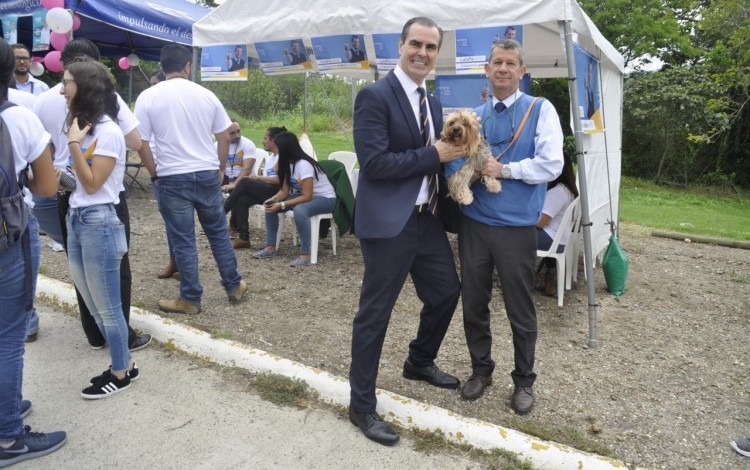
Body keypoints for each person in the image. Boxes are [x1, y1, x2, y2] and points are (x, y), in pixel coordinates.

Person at [348, 17, 467, 446]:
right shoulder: (374, 96)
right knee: (374, 315)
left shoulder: (433, 103)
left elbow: (441, 158)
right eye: (415, 43)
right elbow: (375, 165)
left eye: (431, 47)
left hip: (427, 219)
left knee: (446, 292)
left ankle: (419, 360)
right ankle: (361, 406)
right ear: (400, 46)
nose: (422, 52)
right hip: (388, 226)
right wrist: (431, 153)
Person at [445, 39, 563, 411]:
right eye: (497, 62)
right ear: (486, 68)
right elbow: (452, 168)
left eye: (511, 63)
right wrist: (475, 173)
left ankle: (524, 382)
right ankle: (481, 370)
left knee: (520, 308)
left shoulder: (540, 109)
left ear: (521, 71)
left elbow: (551, 164)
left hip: (516, 228)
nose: (503, 68)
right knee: (474, 303)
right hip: (476, 225)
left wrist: (506, 169)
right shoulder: (472, 117)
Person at [32, 38, 152, 352]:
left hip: (65, 194)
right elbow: (136, 140)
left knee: (82, 269)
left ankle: (96, 334)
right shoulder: (107, 101)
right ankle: (120, 339)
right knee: (114, 269)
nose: (62, 89)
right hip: (101, 197)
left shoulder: (41, 102)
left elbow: (41, 150)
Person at [134, 44, 247, 315]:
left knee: (183, 239)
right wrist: (220, 169)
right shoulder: (206, 94)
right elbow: (224, 135)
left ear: (162, 67)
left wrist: (154, 173)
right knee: (218, 233)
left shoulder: (148, 97)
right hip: (207, 173)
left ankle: (190, 298)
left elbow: (141, 142)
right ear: (188, 67)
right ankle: (234, 286)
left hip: (172, 175)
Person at [0, 38, 67, 466]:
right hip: (8, 237)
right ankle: (8, 438)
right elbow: (44, 187)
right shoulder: (18, 118)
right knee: (9, 335)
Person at [61, 60, 140, 398]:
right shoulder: (87, 129)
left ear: (86, 87)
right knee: (93, 304)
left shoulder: (107, 131)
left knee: (107, 306)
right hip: (77, 218)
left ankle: (120, 373)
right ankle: (125, 362)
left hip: (99, 222)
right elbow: (77, 181)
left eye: (67, 83)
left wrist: (73, 145)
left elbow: (93, 184)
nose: (62, 90)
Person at [254, 131, 336, 266]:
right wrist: (275, 199)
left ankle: (305, 254)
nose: (276, 150)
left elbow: (307, 196)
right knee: (270, 207)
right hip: (304, 196)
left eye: (278, 147)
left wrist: (282, 205)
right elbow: (285, 191)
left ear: (287, 149)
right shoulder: (286, 163)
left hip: (325, 198)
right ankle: (270, 247)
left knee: (300, 210)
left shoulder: (304, 164)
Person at [224, 126, 284, 250]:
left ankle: (223, 210)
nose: (263, 141)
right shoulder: (272, 157)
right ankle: (244, 238)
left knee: (245, 181)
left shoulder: (283, 157)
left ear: (274, 140)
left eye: (265, 138)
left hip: (280, 193)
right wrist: (259, 179)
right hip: (269, 190)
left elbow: (281, 180)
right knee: (242, 198)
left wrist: (258, 178)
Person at [143, 69, 178, 280]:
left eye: (154, 84)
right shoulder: (150, 106)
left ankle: (183, 265)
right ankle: (175, 261)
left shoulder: (173, 108)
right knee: (170, 221)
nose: (151, 88)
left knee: (179, 222)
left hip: (172, 171)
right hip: (159, 172)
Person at [536, 153, 578, 296]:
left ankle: (518, 280)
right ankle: (549, 279)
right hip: (558, 239)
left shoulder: (558, 192)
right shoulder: (568, 189)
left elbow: (540, 222)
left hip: (551, 240)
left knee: (515, 235)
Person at [221, 119, 257, 186]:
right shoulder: (217, 146)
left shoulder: (248, 144)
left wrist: (234, 184)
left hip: (243, 179)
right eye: (232, 133)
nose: (237, 136)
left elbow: (247, 169)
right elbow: (217, 169)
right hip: (224, 178)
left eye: (238, 131)